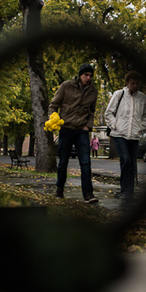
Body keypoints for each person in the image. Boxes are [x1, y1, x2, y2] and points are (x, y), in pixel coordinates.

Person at [49, 63, 99, 203]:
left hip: (81, 131)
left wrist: (88, 127)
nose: (88, 78)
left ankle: (88, 194)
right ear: (80, 75)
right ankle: (59, 188)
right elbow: (53, 105)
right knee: (63, 162)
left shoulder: (93, 91)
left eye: (90, 75)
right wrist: (53, 119)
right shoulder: (66, 86)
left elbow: (92, 111)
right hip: (66, 128)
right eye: (86, 75)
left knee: (85, 162)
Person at [105, 71, 146, 201]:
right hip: (119, 134)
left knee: (132, 163)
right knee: (125, 159)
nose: (135, 86)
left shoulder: (143, 98)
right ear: (127, 83)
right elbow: (108, 113)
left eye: (137, 83)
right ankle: (125, 190)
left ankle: (128, 192)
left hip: (134, 135)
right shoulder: (119, 95)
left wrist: (141, 128)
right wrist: (115, 125)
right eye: (132, 83)